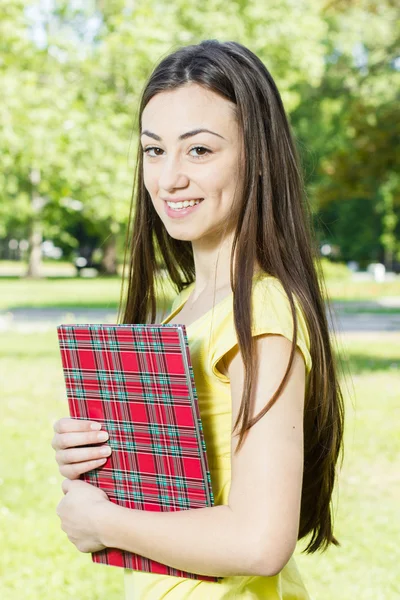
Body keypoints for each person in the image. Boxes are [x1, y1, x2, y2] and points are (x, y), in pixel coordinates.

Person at [52, 39, 344, 599]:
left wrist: (103, 523)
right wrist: (95, 460)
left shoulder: (259, 312)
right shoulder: (189, 306)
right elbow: (179, 494)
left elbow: (261, 541)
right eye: (154, 151)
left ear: (255, 156)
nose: (169, 179)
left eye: (200, 151)